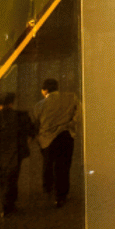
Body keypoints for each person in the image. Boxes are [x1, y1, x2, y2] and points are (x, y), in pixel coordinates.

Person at [0, 92, 36, 215]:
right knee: (12, 179)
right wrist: (26, 143)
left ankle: (4, 203)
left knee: (1, 178)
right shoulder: (21, 116)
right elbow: (32, 132)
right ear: (12, 103)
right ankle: (9, 204)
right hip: (15, 153)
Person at [35, 78, 79, 207]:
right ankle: (61, 195)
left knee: (48, 165)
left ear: (45, 90)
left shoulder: (40, 105)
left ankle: (48, 190)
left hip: (48, 139)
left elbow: (37, 123)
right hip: (66, 136)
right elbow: (79, 113)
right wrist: (71, 125)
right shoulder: (71, 98)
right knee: (64, 166)